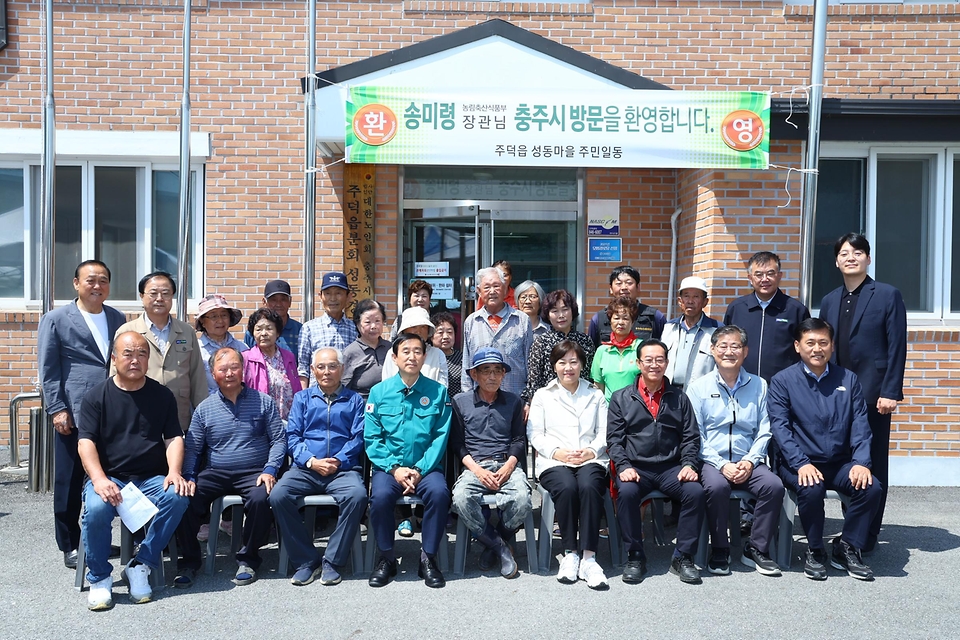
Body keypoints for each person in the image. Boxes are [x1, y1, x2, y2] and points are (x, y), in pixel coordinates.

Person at [77, 332, 191, 610]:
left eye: (141, 353)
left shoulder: (161, 395)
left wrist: (174, 472)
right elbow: (85, 443)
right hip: (110, 477)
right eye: (128, 353)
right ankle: (100, 577)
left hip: (149, 478)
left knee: (178, 496)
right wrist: (99, 479)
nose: (135, 359)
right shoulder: (96, 397)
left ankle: (142, 563)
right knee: (96, 507)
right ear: (114, 358)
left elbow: (174, 438)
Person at [768, 318, 883, 581]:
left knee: (871, 487)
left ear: (831, 347)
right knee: (810, 488)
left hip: (841, 463)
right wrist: (800, 463)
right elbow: (781, 429)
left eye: (823, 342)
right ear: (798, 346)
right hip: (800, 462)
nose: (817, 348)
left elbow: (861, 425)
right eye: (810, 343)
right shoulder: (783, 381)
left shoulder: (848, 379)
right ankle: (815, 549)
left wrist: (861, 462)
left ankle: (847, 546)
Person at [819, 232, 906, 552]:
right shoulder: (829, 300)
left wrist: (891, 391)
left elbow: (897, 346)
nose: (850, 257)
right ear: (836, 261)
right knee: (844, 462)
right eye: (844, 253)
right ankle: (852, 525)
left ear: (868, 259)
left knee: (872, 463)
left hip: (874, 395)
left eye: (857, 252)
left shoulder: (886, 295)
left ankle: (868, 535)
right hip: (838, 395)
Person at [38, 260, 126, 569]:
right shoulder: (56, 318)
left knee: (108, 477)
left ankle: (97, 538)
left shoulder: (117, 317)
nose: (97, 285)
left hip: (111, 411)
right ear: (76, 283)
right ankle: (70, 544)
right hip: (73, 412)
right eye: (91, 280)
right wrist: (56, 408)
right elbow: (48, 369)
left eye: (103, 280)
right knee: (69, 480)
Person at [174, 348, 286, 588]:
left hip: (255, 471)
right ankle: (189, 562)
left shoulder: (263, 401)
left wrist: (270, 469)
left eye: (234, 367)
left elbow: (279, 440)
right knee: (184, 498)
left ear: (242, 370)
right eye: (222, 369)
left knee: (260, 498)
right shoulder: (204, 408)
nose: (229, 373)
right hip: (217, 471)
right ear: (213, 374)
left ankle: (249, 559)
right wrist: (190, 476)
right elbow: (193, 448)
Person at [685, 325, 784, 577]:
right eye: (723, 346)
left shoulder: (760, 385)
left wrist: (751, 461)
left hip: (748, 459)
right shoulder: (698, 387)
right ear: (713, 350)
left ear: (746, 351)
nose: (729, 352)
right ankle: (720, 548)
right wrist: (720, 464)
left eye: (736, 346)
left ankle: (756, 548)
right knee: (717, 487)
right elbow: (696, 433)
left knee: (773, 486)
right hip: (712, 461)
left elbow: (765, 429)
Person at [607, 338, 705, 585]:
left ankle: (682, 556)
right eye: (648, 360)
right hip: (636, 467)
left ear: (667, 363)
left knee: (694, 491)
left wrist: (689, 464)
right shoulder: (621, 398)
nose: (654, 365)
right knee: (626, 492)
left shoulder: (679, 398)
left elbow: (691, 437)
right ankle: (635, 555)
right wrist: (624, 466)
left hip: (671, 467)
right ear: (638, 363)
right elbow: (614, 441)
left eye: (659, 360)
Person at [270, 347, 368, 587]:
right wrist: (311, 461)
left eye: (332, 366)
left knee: (357, 496)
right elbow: (292, 436)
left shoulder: (354, 400)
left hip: (342, 469)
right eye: (321, 367)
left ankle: (332, 560)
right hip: (306, 468)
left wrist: (339, 460)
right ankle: (306, 559)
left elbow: (358, 437)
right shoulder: (302, 399)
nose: (327, 372)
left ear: (342, 369)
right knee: (278, 495)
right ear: (313, 370)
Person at [365, 333, 452, 588]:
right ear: (394, 357)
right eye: (406, 351)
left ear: (425, 357)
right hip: (389, 468)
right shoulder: (379, 392)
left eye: (417, 351)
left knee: (439, 494)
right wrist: (395, 469)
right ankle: (387, 558)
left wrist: (419, 469)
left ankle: (428, 558)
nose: (412, 356)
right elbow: (372, 438)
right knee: (379, 498)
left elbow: (440, 437)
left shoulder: (438, 392)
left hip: (426, 467)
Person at [527, 340, 610, 590]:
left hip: (590, 458)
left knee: (588, 485)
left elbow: (605, 431)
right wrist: (558, 453)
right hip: (554, 460)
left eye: (574, 362)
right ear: (554, 366)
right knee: (566, 487)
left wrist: (590, 451)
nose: (568, 367)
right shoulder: (543, 395)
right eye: (562, 362)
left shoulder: (595, 394)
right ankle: (570, 554)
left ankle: (589, 558)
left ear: (582, 364)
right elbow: (535, 433)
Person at [450, 348, 532, 579]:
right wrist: (476, 469)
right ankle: (500, 547)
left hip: (507, 463)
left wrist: (509, 466)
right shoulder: (460, 401)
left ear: (504, 375)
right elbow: (457, 444)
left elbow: (518, 440)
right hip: (475, 466)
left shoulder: (514, 402)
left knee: (523, 500)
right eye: (486, 371)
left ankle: (493, 539)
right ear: (474, 374)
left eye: (498, 371)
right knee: (461, 498)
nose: (492, 376)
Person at [113, 271, 207, 432]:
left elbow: (197, 376)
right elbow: (115, 375)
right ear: (142, 296)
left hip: (179, 415)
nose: (159, 299)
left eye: (165, 293)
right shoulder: (127, 331)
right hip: (139, 414)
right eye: (153, 293)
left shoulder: (186, 331)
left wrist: (204, 416)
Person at [723, 251, 810, 382]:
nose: (765, 279)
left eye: (770, 274)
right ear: (750, 278)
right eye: (758, 274)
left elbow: (806, 349)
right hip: (742, 384)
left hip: (783, 386)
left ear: (779, 276)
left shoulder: (796, 310)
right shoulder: (737, 308)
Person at [462, 266, 532, 397]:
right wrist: (467, 400)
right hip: (480, 403)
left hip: (515, 401)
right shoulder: (471, 322)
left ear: (505, 288)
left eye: (496, 286)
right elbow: (467, 364)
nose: (492, 291)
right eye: (487, 287)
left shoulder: (522, 320)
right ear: (479, 291)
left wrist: (528, 400)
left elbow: (530, 364)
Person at [522, 289, 595, 406]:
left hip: (581, 400)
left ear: (573, 311)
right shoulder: (541, 342)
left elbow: (590, 375)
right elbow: (534, 380)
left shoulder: (585, 340)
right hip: (550, 403)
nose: (561, 315)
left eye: (565, 309)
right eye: (555, 311)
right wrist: (532, 405)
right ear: (548, 314)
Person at [298, 272, 358, 387]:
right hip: (316, 397)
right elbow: (303, 368)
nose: (333, 298)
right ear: (320, 296)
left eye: (338, 293)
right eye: (328, 293)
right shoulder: (309, 328)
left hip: (348, 397)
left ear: (349, 296)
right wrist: (304, 397)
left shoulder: (355, 328)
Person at [243, 307, 302, 422]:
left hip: (289, 421)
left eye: (269, 329)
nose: (264, 333)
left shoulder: (289, 356)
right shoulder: (246, 358)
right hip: (259, 422)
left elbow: (297, 388)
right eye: (258, 329)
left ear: (278, 332)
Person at [662, 276, 721, 390]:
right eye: (686, 296)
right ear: (680, 301)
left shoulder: (716, 330)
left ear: (705, 302)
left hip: (701, 393)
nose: (690, 301)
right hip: (669, 392)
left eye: (696, 296)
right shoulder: (669, 327)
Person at [587, 265, 666, 348]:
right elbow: (591, 351)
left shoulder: (655, 317)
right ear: (610, 289)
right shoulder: (599, 319)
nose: (624, 287)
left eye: (629, 283)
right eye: (618, 283)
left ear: (638, 287)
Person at [590, 296, 643, 401]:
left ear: (632, 322)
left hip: (636, 410)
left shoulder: (642, 347)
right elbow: (598, 387)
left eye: (626, 318)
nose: (621, 322)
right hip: (609, 411)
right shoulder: (602, 350)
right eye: (617, 317)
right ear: (610, 321)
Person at [380, 306, 449, 386]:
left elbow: (442, 387)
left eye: (423, 327)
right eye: (413, 327)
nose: (419, 331)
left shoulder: (437, 354)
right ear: (405, 330)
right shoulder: (393, 352)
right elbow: (386, 384)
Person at [195, 294, 247, 396]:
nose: (220, 321)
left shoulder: (242, 348)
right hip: (207, 408)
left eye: (224, 315)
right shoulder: (195, 350)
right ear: (202, 321)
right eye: (214, 316)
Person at [244, 279, 303, 366]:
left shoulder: (300, 330)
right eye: (273, 300)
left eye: (283, 299)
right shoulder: (253, 332)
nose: (278, 304)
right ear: (264, 302)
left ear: (290, 302)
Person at [342, 298, 391, 398]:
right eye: (368, 322)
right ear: (358, 324)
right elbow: (343, 388)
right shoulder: (350, 353)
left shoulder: (391, 348)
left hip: (389, 405)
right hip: (361, 407)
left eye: (377, 321)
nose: (373, 326)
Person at [431, 311, 462, 397]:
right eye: (440, 332)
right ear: (431, 335)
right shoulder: (426, 357)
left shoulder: (462, 358)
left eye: (450, 332)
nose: (446, 337)